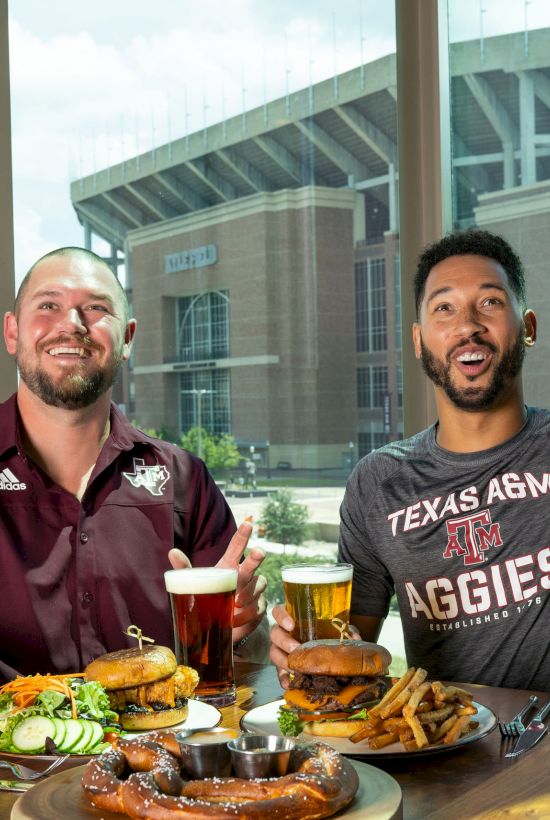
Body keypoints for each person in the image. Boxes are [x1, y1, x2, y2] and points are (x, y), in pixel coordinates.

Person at [271, 228, 550, 691]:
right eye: (445, 308)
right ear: (419, 342)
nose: (467, 326)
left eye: (490, 303)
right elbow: (348, 647)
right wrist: (302, 654)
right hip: (443, 750)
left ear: (529, 328)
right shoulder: (378, 481)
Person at [0, 246, 267, 683]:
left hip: (158, 746)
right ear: (12, 332)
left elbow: (240, 657)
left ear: (127, 338)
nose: (72, 324)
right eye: (49, 305)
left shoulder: (185, 481)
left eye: (97, 308)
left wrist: (236, 631)